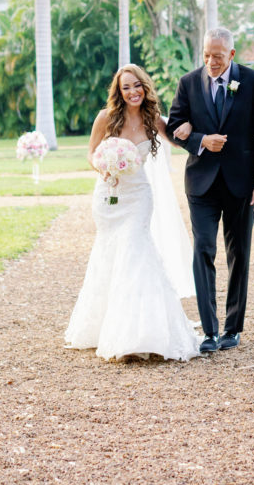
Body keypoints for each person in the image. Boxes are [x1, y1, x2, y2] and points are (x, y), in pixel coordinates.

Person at [65, 64, 200, 362]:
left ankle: (140, 333)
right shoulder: (106, 117)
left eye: (137, 85)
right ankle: (108, 329)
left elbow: (177, 139)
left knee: (135, 253)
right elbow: (90, 153)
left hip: (139, 196)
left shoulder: (153, 118)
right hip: (109, 195)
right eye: (126, 87)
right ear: (119, 91)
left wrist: (189, 127)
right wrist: (104, 165)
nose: (133, 92)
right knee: (109, 255)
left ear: (144, 87)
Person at [166, 26, 254, 354]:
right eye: (206, 55)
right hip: (201, 184)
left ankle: (233, 328)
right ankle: (210, 332)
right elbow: (173, 127)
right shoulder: (188, 83)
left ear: (231, 54)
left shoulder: (253, 82)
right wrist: (200, 140)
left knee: (239, 253)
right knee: (203, 250)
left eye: (217, 56)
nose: (211, 62)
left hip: (242, 184)